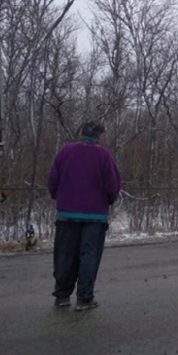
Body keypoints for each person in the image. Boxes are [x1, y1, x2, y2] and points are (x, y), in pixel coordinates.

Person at [47, 120, 121, 311]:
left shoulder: (65, 151)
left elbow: (53, 180)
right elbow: (112, 185)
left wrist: (60, 197)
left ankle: (62, 295)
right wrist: (108, 200)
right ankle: (84, 298)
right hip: (95, 215)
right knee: (89, 255)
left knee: (65, 255)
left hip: (66, 213)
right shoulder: (104, 156)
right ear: (99, 135)